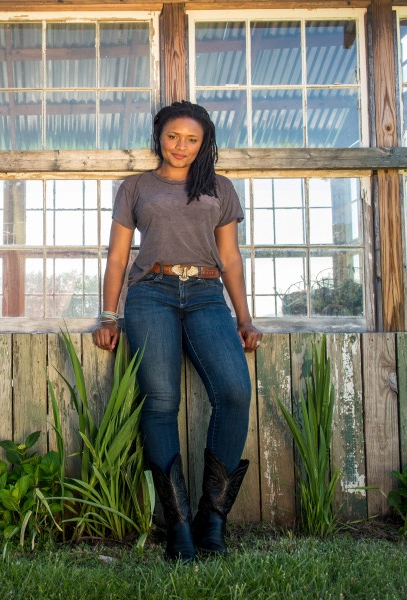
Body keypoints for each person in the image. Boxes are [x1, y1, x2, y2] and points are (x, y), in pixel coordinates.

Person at [92, 101, 262, 563]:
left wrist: (244, 318)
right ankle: (178, 527)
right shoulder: (135, 188)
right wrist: (110, 315)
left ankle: (213, 518)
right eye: (173, 137)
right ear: (158, 137)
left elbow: (230, 259)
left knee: (233, 391)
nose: (181, 146)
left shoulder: (220, 188)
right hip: (152, 294)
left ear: (203, 143)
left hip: (207, 295)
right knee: (162, 403)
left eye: (192, 139)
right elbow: (118, 257)